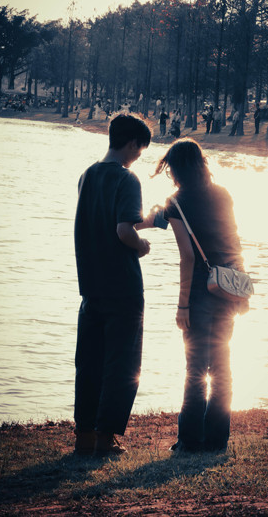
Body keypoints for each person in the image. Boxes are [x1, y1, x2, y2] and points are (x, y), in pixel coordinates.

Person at [153, 139, 250, 453]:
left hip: (198, 292)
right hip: (227, 287)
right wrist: (241, 288)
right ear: (202, 163)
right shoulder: (223, 194)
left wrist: (182, 305)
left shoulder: (176, 202)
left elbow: (188, 257)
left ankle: (190, 440)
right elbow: (234, 241)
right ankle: (217, 439)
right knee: (221, 365)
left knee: (196, 368)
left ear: (176, 170)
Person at [74, 113, 156, 457]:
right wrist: (142, 245)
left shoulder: (87, 175)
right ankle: (106, 438)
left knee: (89, 361)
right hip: (123, 286)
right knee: (122, 364)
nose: (139, 156)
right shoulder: (127, 178)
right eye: (141, 149)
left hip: (91, 283)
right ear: (133, 143)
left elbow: (102, 221)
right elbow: (123, 230)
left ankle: (84, 435)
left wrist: (142, 224)